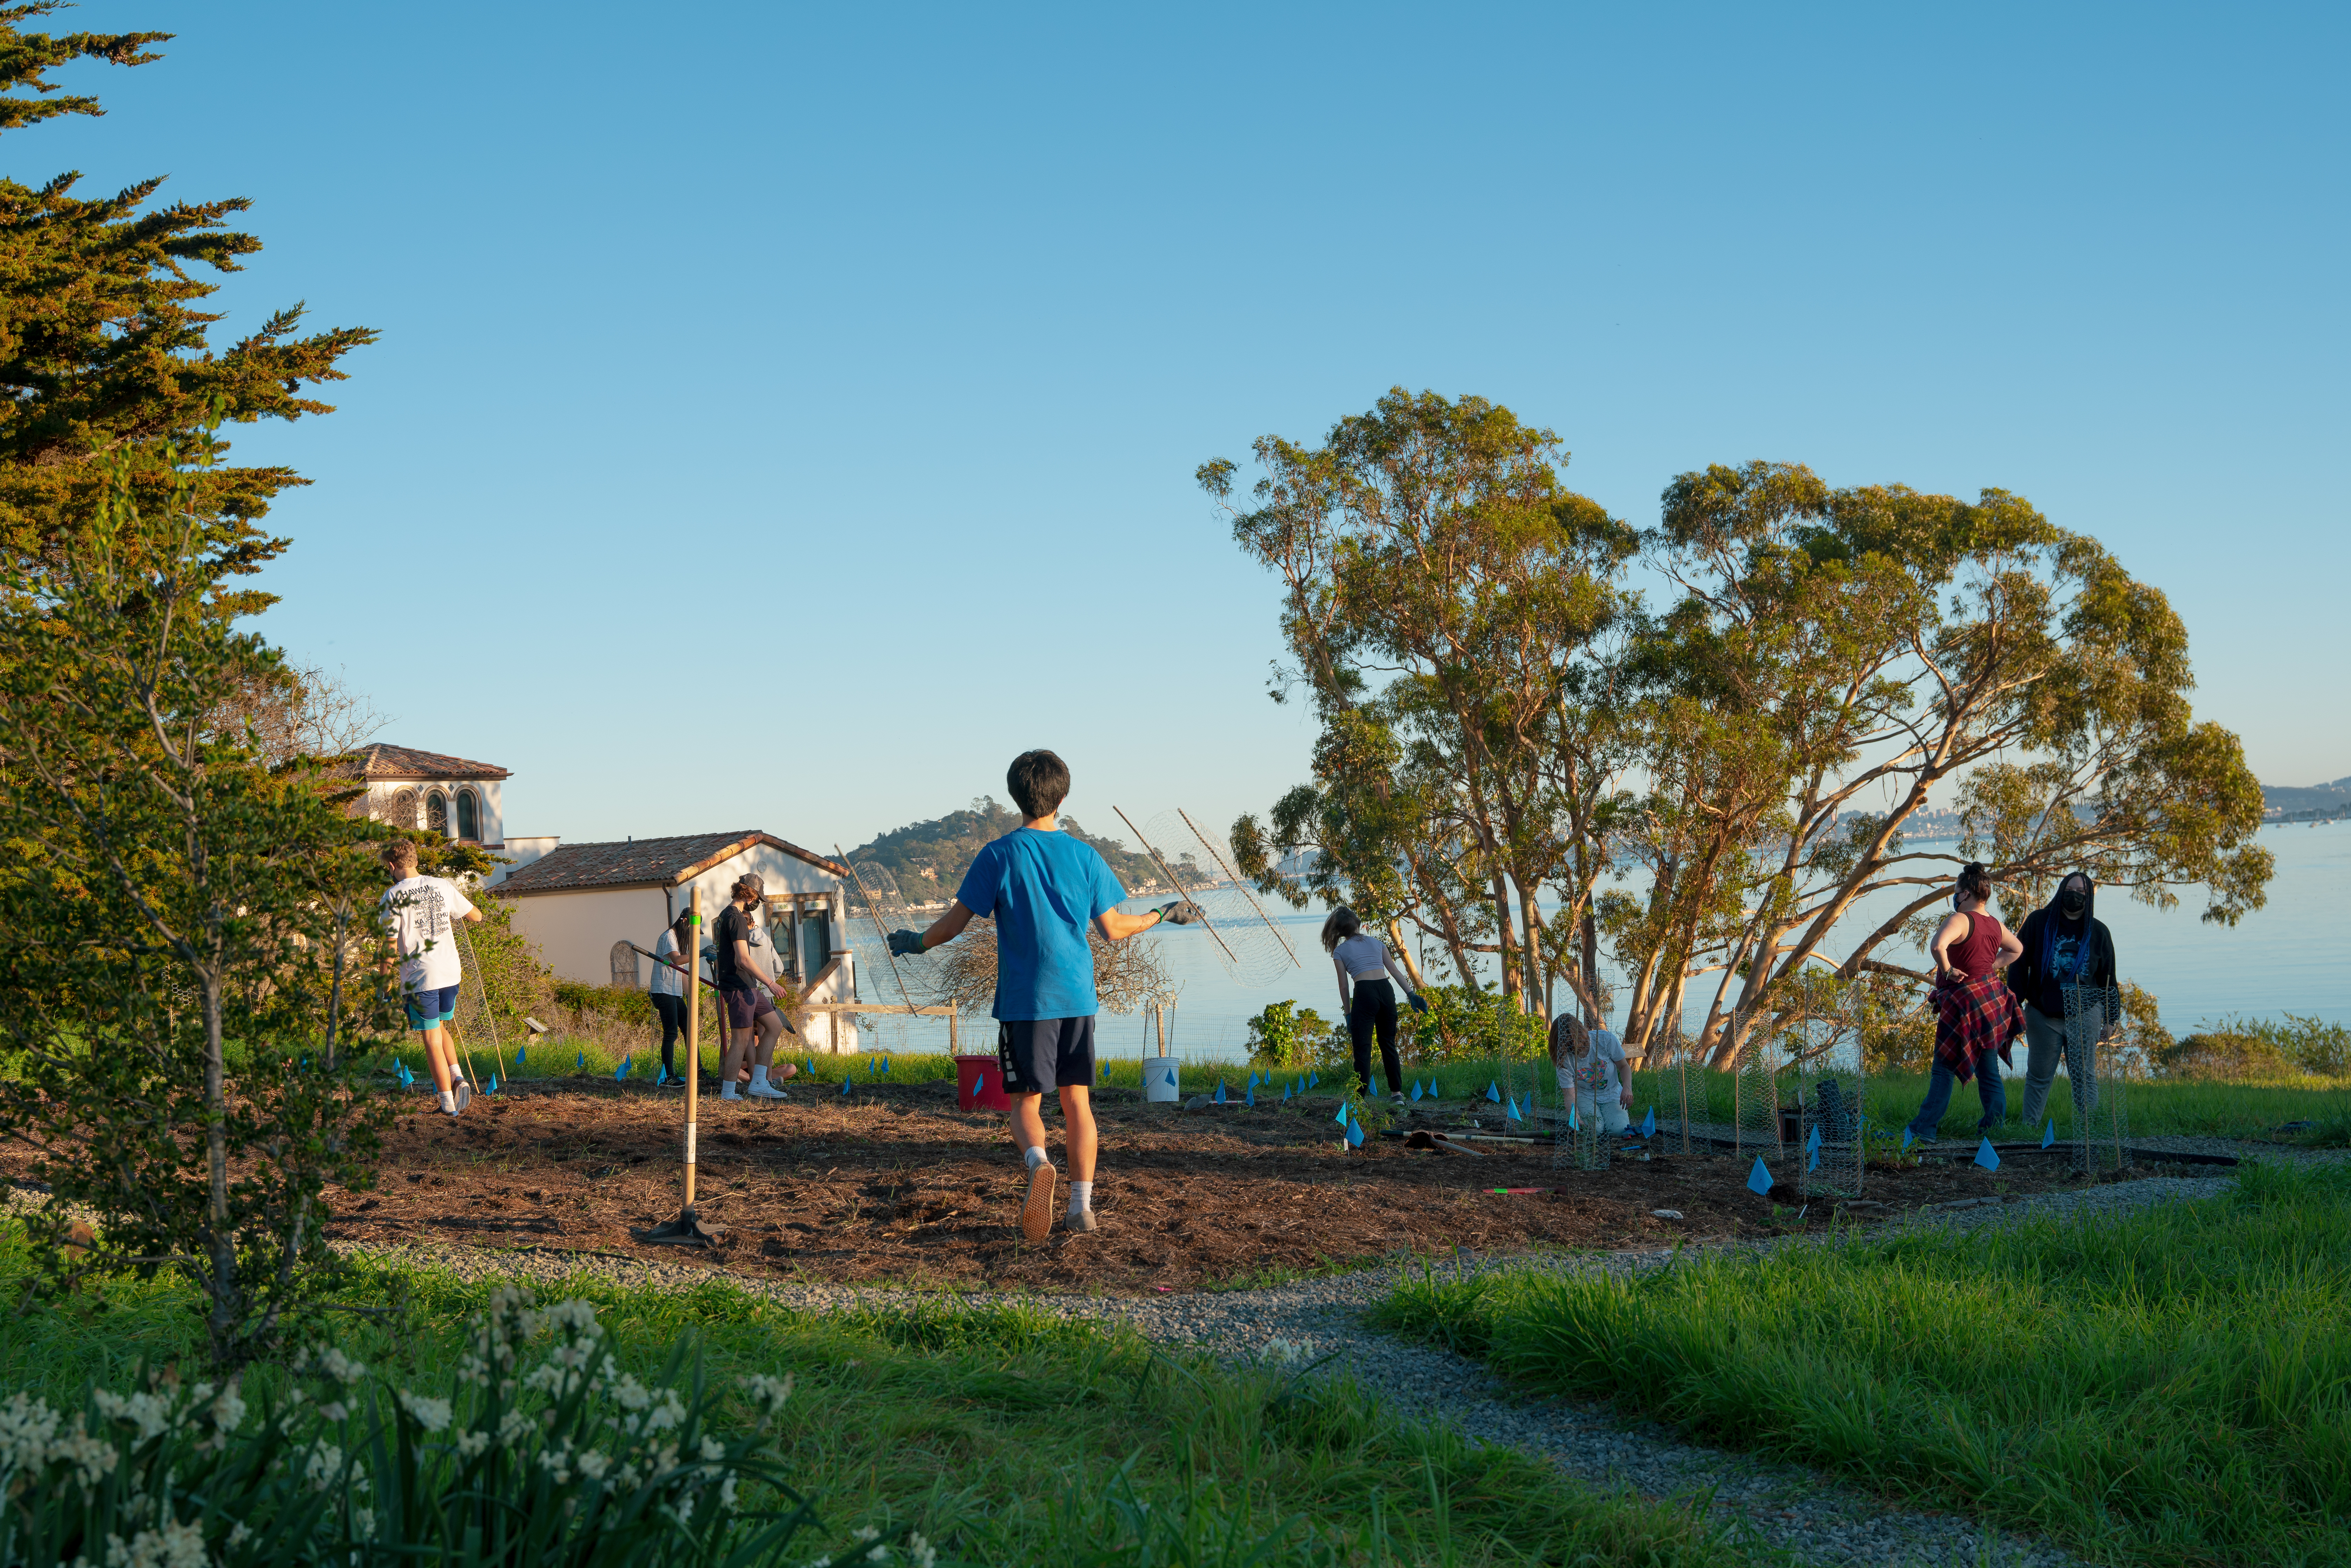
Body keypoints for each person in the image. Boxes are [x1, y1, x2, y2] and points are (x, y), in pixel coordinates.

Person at [887, 749, 1195, 1242]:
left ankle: (1038, 1163)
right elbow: (1114, 929)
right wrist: (1161, 913)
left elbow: (951, 926)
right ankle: (1081, 1208)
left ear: (1015, 796)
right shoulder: (1085, 855)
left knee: (1025, 1104)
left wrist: (913, 943)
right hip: (1077, 999)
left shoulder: (999, 854)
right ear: (1063, 796)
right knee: (1078, 1103)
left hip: (1026, 1002)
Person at [1905, 862, 2025, 1142]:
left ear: (1968, 894)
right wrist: (1991, 967)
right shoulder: (1994, 923)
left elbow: (1937, 946)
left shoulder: (1960, 919)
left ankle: (1923, 1130)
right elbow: (2016, 949)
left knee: (1944, 1067)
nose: (1954, 898)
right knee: (1988, 1069)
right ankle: (1994, 1131)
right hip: (1990, 1000)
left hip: (1963, 1004)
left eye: (1956, 892)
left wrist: (1947, 969)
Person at [2005, 870, 2120, 1128]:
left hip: (2085, 1014)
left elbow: (2108, 978)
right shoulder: (2038, 922)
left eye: (2082, 892)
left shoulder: (2099, 932)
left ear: (2089, 897)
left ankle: (2090, 1131)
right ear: (2061, 891)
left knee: (2084, 1077)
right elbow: (2018, 966)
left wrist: (2112, 1018)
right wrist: (2012, 1005)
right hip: (2042, 1015)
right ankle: (2029, 1128)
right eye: (2071, 890)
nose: (2075, 895)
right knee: (2038, 1076)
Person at [378, 839, 483, 1116]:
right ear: (414, 860)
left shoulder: (392, 896)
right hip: (451, 972)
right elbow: (476, 916)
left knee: (431, 1039)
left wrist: (384, 981)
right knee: (442, 1029)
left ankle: (447, 1103)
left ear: (391, 866)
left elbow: (390, 944)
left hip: (420, 976)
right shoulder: (442, 884)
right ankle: (458, 1078)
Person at [712, 874, 798, 1101]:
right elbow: (743, 959)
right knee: (741, 1040)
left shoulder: (728, 916)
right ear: (748, 894)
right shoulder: (736, 918)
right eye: (757, 897)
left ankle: (759, 1082)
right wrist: (771, 983)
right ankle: (728, 1093)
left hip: (748, 986)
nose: (757, 902)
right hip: (739, 987)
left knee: (774, 1025)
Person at [1323, 907, 1424, 1101]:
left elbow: (1344, 987)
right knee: (1388, 1044)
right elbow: (1395, 972)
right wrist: (1412, 995)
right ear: (1357, 923)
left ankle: (1359, 1099)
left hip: (1365, 993)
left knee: (1362, 1048)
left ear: (1339, 931)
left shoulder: (1340, 951)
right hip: (1386, 991)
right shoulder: (1378, 943)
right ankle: (1397, 1094)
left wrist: (1348, 1014)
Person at [1550, 1010, 1632, 1134]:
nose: (1574, 1051)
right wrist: (1576, 1116)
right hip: (1585, 1096)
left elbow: (1624, 1066)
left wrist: (1627, 1088)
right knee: (1595, 1131)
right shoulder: (1563, 1058)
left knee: (1619, 1131)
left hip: (1612, 1094)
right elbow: (1569, 1094)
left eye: (1575, 1045)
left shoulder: (1605, 1040)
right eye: (1567, 1047)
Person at [648, 909, 694, 1087]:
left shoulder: (681, 941)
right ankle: (669, 1077)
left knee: (689, 1029)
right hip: (663, 990)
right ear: (684, 922)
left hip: (675, 992)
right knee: (671, 1034)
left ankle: (697, 1072)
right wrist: (701, 952)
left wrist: (690, 996)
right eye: (691, 930)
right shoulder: (670, 936)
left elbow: (682, 971)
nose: (692, 935)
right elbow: (677, 960)